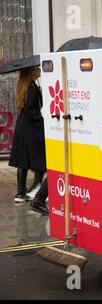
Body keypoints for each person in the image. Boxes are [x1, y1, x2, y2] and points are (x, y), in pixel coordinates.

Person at [8, 66, 46, 202]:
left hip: (22, 125)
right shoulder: (31, 87)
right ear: (32, 72)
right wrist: (41, 121)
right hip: (32, 127)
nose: (40, 70)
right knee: (40, 155)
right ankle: (37, 187)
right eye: (38, 68)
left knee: (22, 159)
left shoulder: (24, 86)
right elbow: (31, 110)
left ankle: (20, 193)